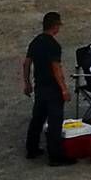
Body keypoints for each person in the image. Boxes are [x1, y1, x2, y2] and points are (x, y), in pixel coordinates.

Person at [23, 11, 73, 166]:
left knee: (37, 119)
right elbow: (56, 68)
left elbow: (26, 63)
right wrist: (64, 89)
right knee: (55, 122)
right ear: (55, 26)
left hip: (40, 87)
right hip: (53, 88)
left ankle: (32, 149)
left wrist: (27, 83)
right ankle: (55, 156)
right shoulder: (53, 45)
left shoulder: (35, 41)